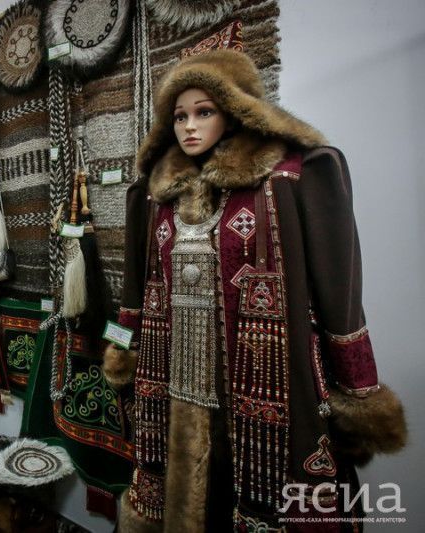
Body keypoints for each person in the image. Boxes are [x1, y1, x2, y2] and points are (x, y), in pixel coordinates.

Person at [104, 50, 407, 531]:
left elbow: (341, 292)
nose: (189, 126)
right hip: (176, 383)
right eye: (180, 116)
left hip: (272, 383)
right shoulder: (156, 194)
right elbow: (135, 292)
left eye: (204, 111)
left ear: (233, 109)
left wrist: (358, 389)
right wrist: (121, 348)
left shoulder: (294, 177)